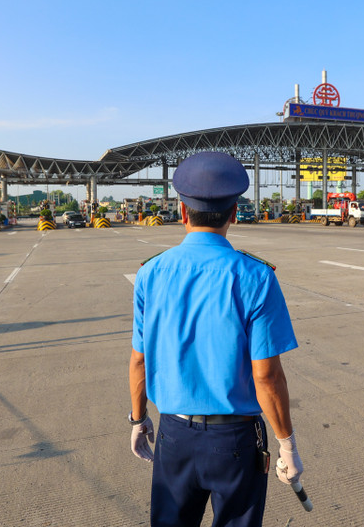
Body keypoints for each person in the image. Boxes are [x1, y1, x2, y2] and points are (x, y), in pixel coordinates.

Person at [128, 151, 304, 527]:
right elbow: (266, 377)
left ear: (182, 212)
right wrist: (286, 443)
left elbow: (139, 359)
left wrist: (138, 418)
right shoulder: (256, 276)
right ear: (234, 212)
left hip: (174, 437)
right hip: (236, 442)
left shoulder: (150, 273)